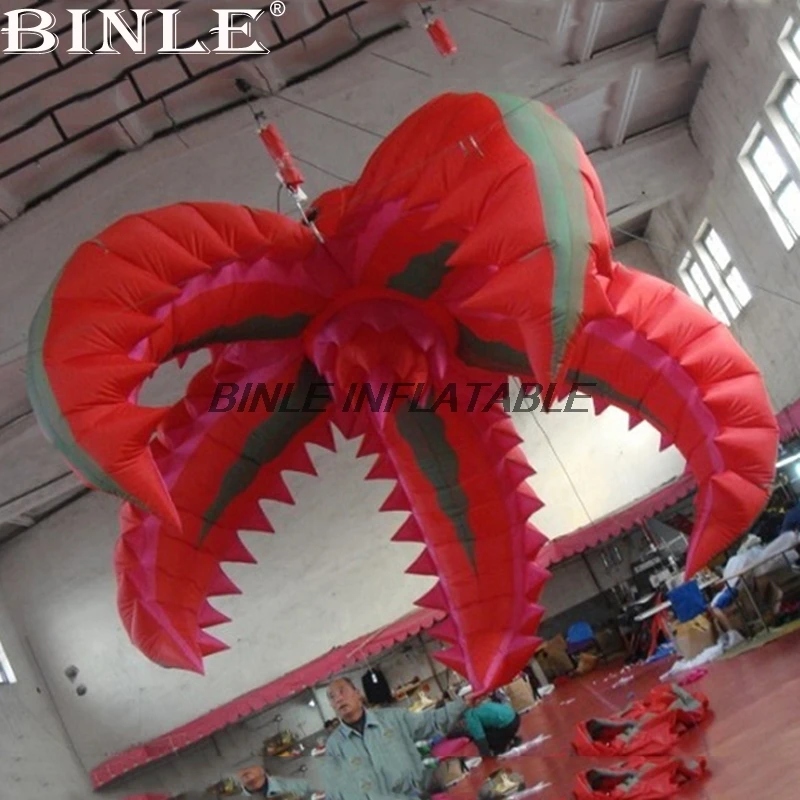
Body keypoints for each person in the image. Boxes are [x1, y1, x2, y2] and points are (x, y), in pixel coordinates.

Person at [238, 677, 473, 798]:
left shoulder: (393, 719)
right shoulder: (335, 746)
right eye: (332, 697)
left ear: (357, 694)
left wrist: (463, 702)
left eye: (342, 691)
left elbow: (433, 721)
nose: (338, 699)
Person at [455, 688, 521, 758]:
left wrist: (486, 756)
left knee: (485, 738)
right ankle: (511, 739)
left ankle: (502, 747)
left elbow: (480, 737)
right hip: (514, 717)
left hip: (508, 725)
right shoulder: (483, 702)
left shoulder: (470, 714)